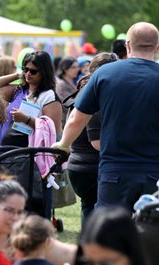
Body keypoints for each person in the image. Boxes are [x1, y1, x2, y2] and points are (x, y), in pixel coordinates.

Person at [53, 22, 159, 211]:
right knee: (150, 233)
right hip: (156, 172)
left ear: (127, 46)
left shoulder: (103, 74)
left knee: (110, 235)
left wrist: (63, 144)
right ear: (157, 48)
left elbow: (76, 119)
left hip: (114, 172)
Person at [67, 53, 117, 227]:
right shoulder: (93, 96)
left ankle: (88, 250)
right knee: (97, 217)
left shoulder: (84, 90)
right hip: (90, 167)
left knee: (89, 210)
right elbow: (97, 143)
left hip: (82, 166)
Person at [0, 51, 62, 147]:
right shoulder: (19, 90)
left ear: (44, 72)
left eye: (33, 71)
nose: (28, 73)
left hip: (29, 155)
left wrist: (26, 120)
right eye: (25, 69)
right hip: (4, 152)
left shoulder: (49, 97)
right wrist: (18, 75)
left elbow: (52, 130)